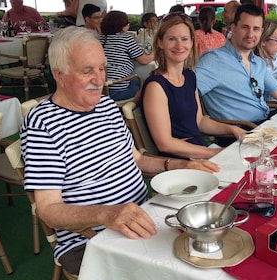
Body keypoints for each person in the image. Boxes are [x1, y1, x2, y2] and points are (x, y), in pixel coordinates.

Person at [20, 26, 218, 275]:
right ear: (59, 75)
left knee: (209, 245)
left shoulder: (106, 106)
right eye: (87, 71)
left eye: (102, 68)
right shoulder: (43, 124)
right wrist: (106, 214)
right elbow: (49, 210)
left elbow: (136, 160)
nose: (100, 79)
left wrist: (181, 165)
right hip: (91, 240)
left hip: (143, 216)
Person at [141, 12, 245, 160]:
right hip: (179, 161)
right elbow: (165, 144)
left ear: (191, 42)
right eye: (171, 39)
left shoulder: (189, 76)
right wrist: (215, 153)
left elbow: (200, 121)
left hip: (197, 150)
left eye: (184, 39)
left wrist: (233, 129)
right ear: (160, 42)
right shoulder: (156, 86)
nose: (179, 45)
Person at [196, 5, 277, 125]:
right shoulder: (214, 60)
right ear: (233, 28)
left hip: (265, 124)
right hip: (239, 132)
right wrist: (199, 122)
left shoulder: (258, 63)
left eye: (256, 29)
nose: (250, 34)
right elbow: (188, 92)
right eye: (245, 27)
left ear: (261, 32)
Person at [99, 10, 154, 101]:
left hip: (101, 90)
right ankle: (134, 112)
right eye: (127, 23)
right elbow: (144, 60)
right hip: (120, 90)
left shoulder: (100, 39)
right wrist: (156, 53)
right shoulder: (126, 38)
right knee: (145, 86)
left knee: (134, 81)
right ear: (122, 26)